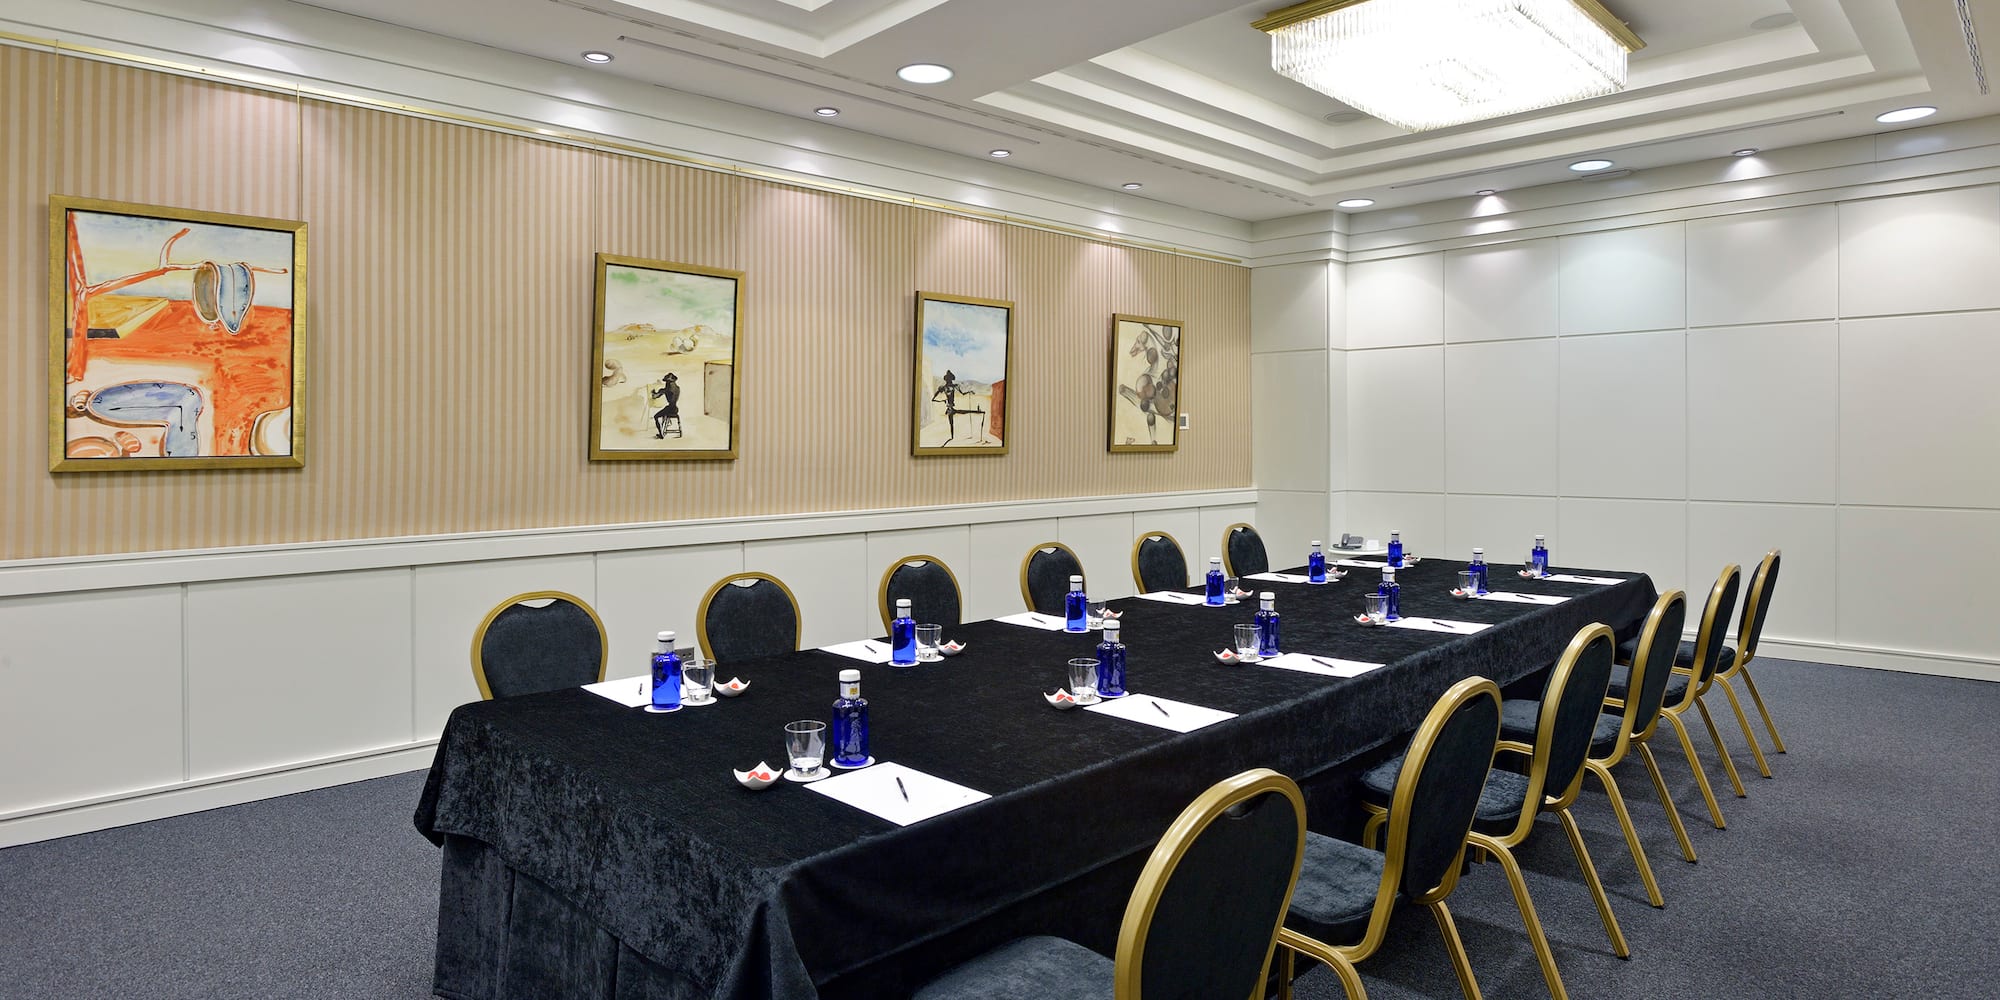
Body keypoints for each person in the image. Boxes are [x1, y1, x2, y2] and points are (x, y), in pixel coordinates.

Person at [650, 372, 682, 438]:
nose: (666, 383)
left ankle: (661, 435)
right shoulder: (678, 388)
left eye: (667, 382)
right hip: (675, 409)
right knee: (665, 411)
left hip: (670, 409)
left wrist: (653, 392)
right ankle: (665, 426)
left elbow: (654, 396)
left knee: (656, 416)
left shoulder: (667, 390)